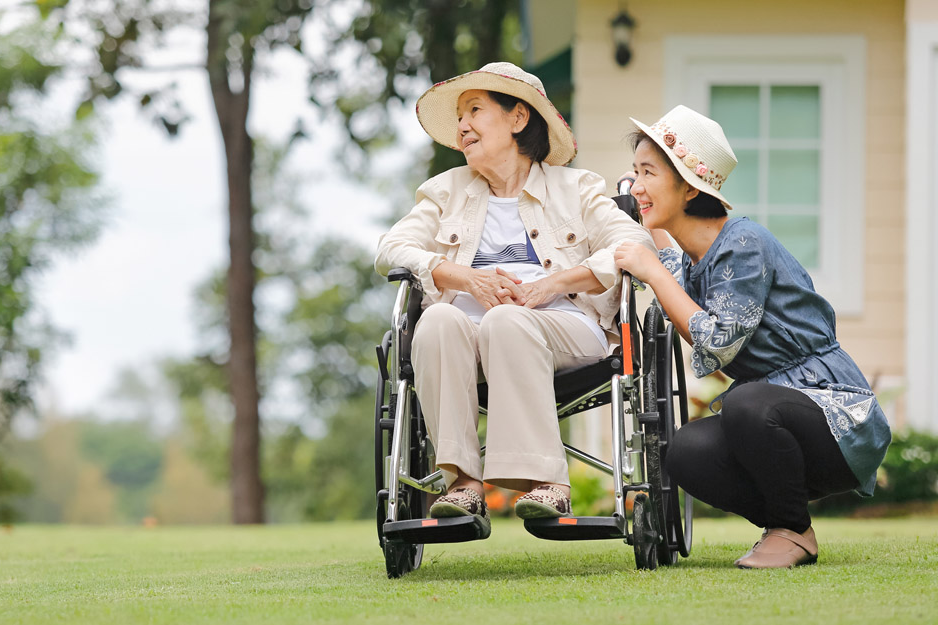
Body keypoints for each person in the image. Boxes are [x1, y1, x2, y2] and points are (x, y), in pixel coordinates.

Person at [375, 62, 655, 535]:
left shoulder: (576, 188)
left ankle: (545, 482)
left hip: (563, 327)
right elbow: (390, 249)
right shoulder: (446, 191)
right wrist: (464, 278)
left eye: (475, 110)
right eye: (460, 116)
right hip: (466, 335)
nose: (462, 125)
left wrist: (555, 283)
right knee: (437, 321)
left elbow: (636, 245)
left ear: (518, 118)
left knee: (507, 320)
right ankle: (462, 484)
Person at [613, 105, 891, 569]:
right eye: (634, 172)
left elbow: (718, 341)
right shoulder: (696, 255)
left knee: (745, 403)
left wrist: (653, 274)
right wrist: (648, 233)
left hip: (835, 416)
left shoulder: (743, 243)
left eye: (648, 172)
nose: (636, 184)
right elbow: (676, 278)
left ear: (687, 185)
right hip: (771, 421)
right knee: (685, 452)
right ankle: (790, 525)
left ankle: (790, 531)